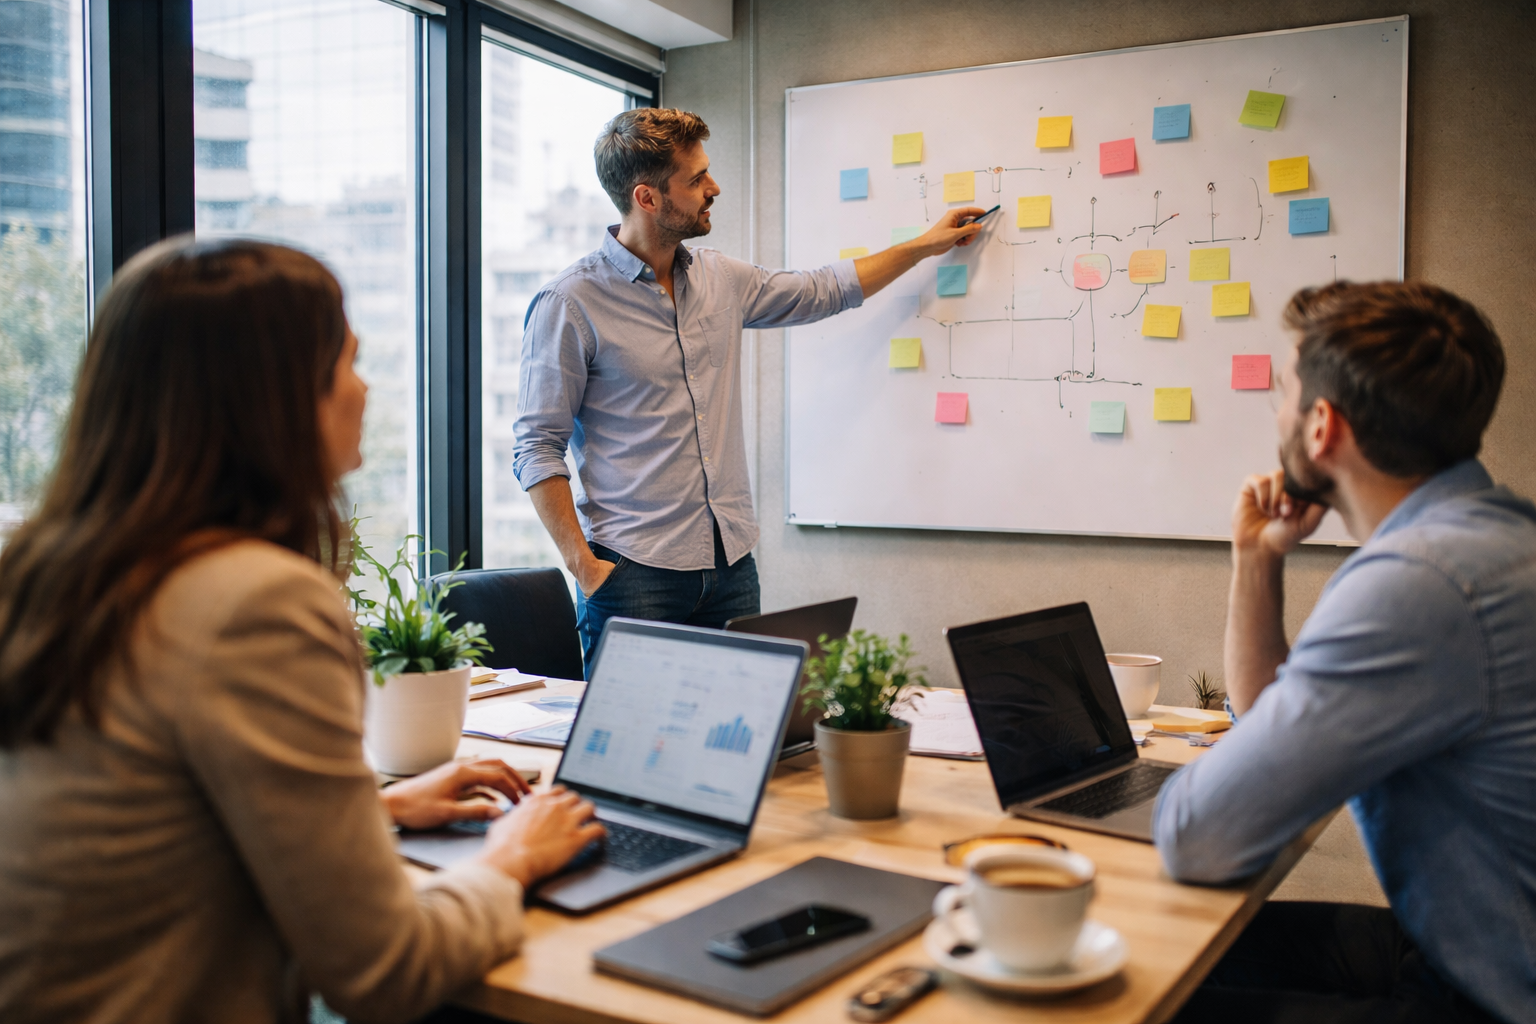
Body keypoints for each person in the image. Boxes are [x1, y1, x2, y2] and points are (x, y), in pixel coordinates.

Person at [0, 238, 605, 1024]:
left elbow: (140, 834)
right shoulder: (254, 602)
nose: (364, 387)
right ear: (275, 398)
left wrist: (376, 810)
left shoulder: (53, 574)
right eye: (347, 361)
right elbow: (386, 969)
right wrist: (514, 856)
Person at [1154, 281, 1534, 1024]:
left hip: (1490, 997)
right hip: (1466, 944)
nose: (1279, 414)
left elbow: (1195, 840)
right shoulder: (1496, 532)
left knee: (1126, 991)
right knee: (1171, 949)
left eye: (1285, 393)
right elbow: (1270, 724)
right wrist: (1257, 558)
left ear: (1322, 426)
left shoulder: (1417, 584)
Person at [514, 108, 986, 664]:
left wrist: (925, 245)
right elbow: (536, 446)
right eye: (696, 179)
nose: (713, 188)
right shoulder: (570, 303)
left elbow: (823, 290)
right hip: (633, 576)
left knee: (742, 719)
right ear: (647, 198)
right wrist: (585, 568)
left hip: (730, 567)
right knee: (637, 724)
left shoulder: (720, 278)